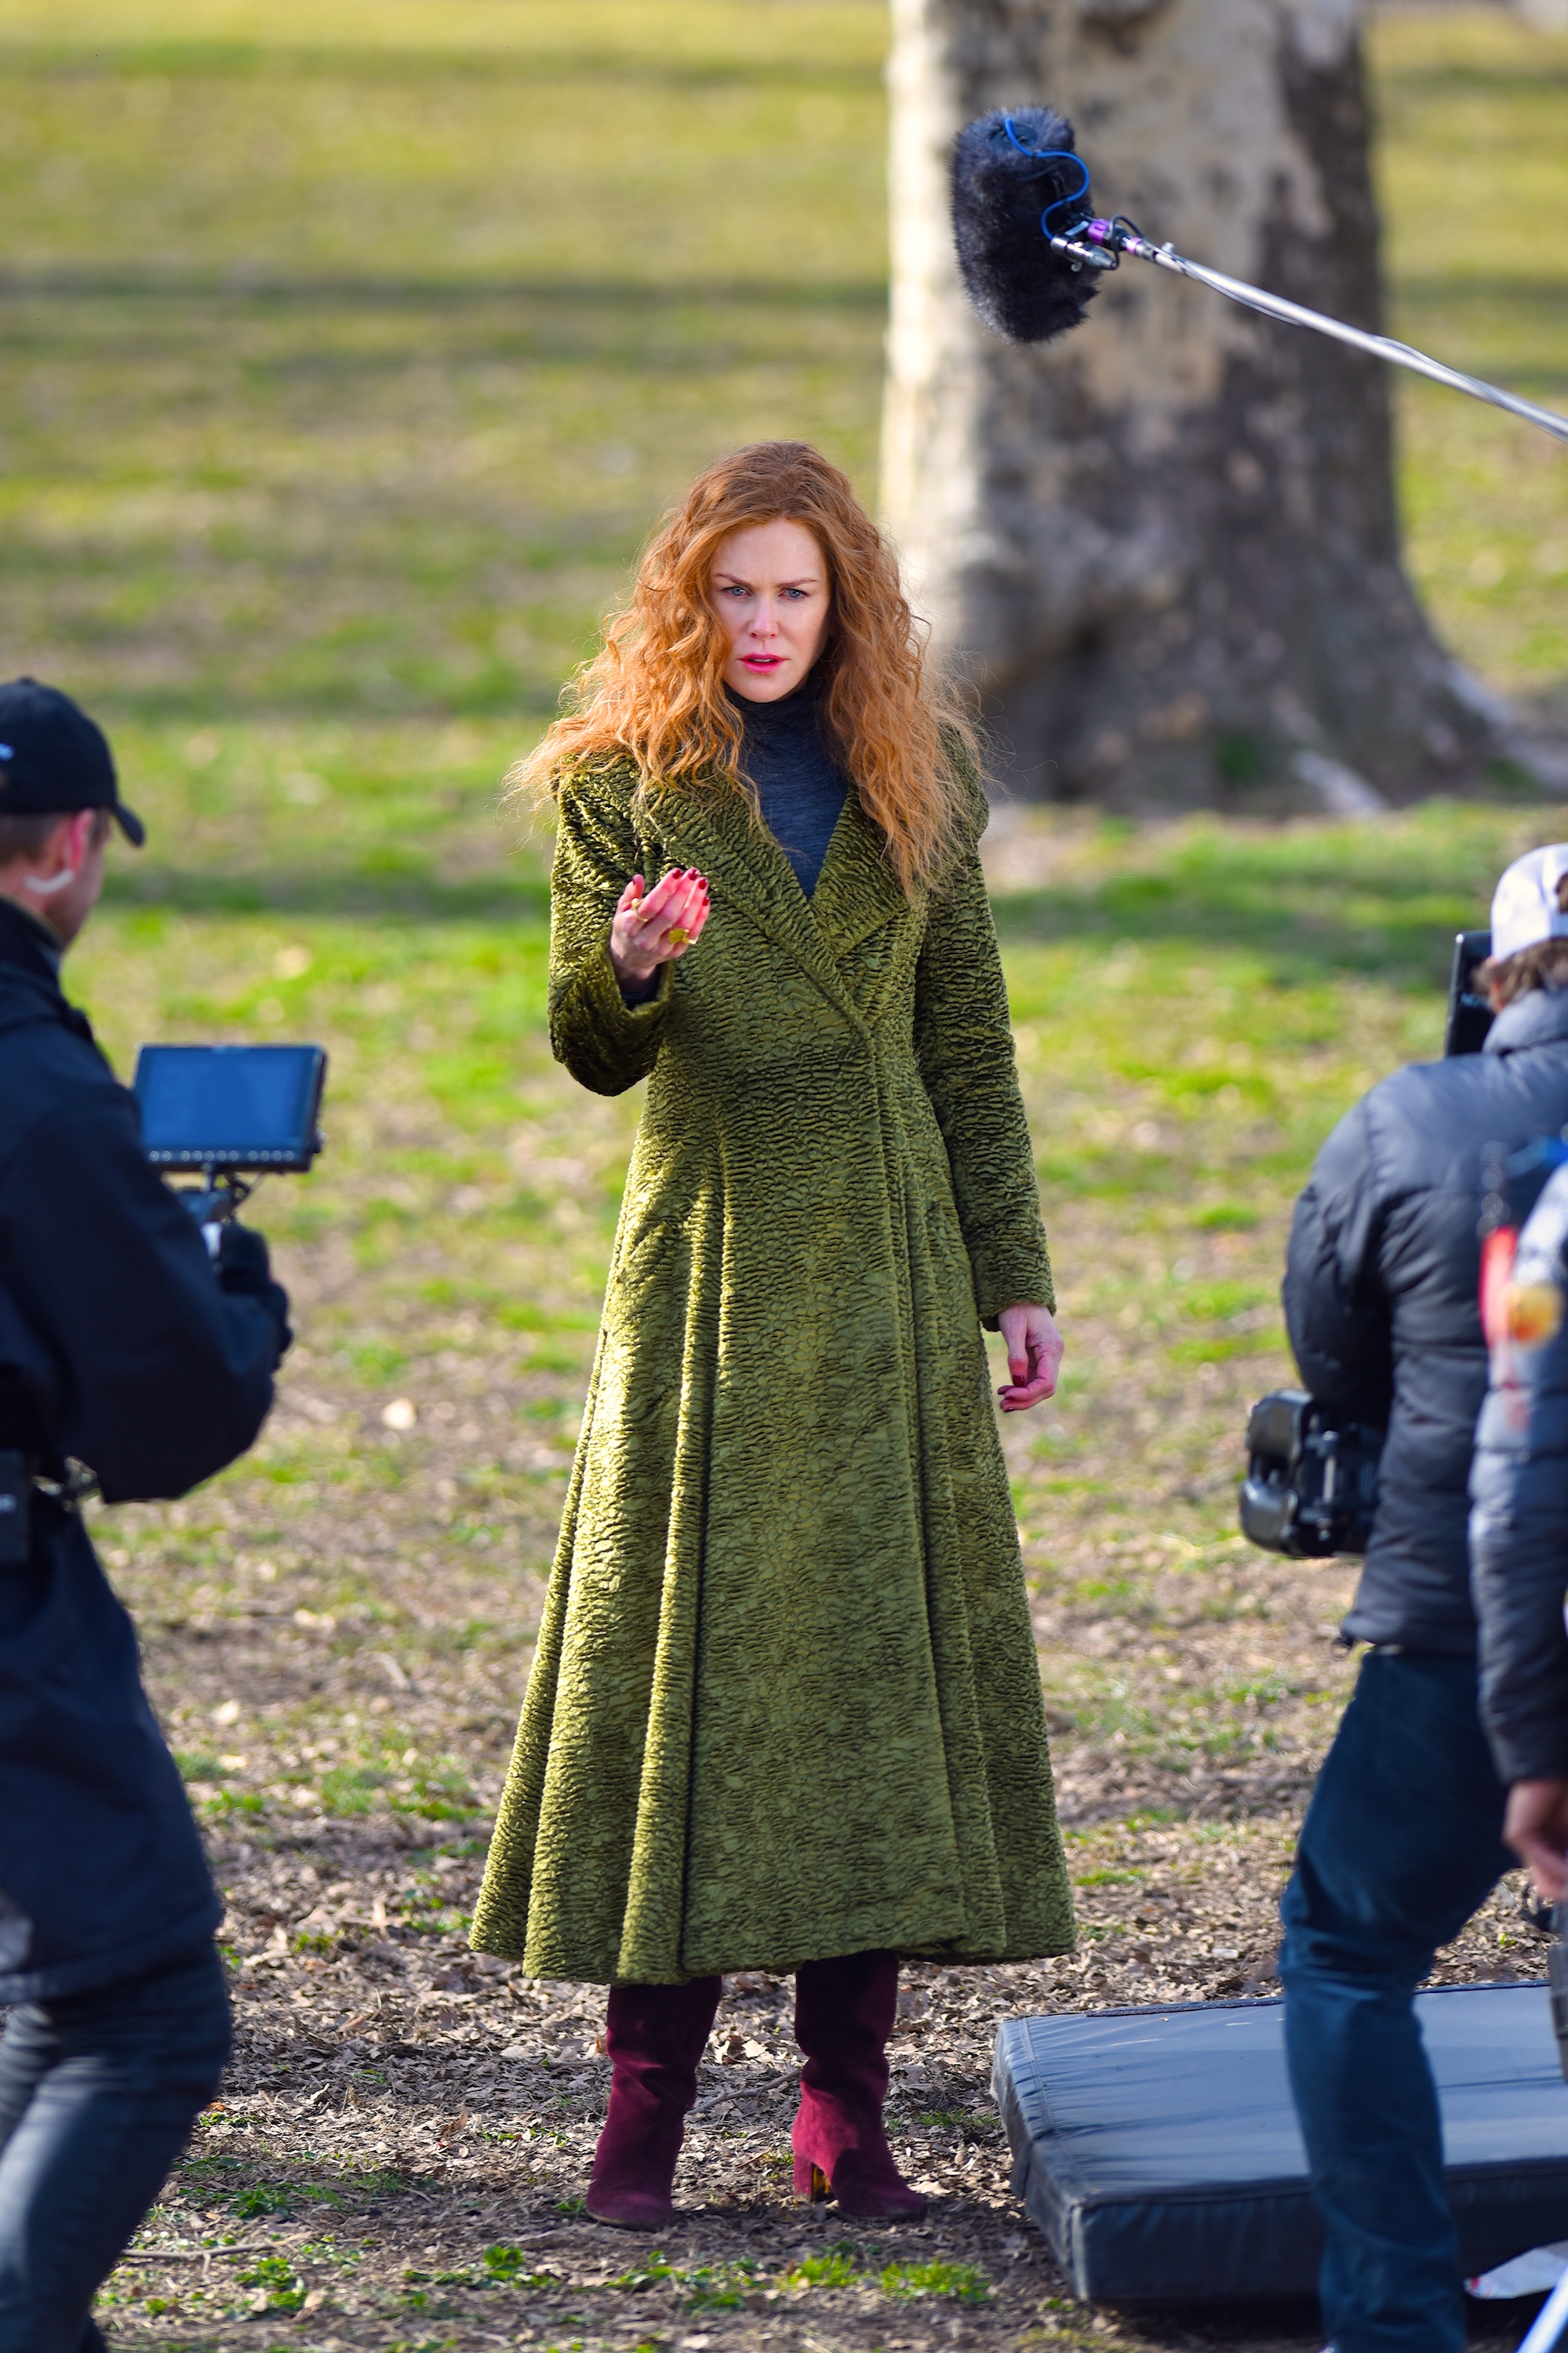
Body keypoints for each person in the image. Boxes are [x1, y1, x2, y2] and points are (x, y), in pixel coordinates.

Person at [470, 441, 1071, 2230]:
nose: (761, 623)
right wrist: (637, 967)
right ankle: (638, 2124)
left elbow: (965, 1034)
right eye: (732, 591)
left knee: (871, 1675)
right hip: (715, 1259)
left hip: (887, 1258)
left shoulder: (922, 773)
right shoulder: (617, 787)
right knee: (692, 1677)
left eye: (794, 593)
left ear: (846, 608)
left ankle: (844, 2119)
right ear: (689, 598)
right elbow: (588, 1046)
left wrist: (1009, 1271)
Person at [0, 678, 291, 2353]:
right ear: (59, 854)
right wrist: (233, 1288)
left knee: (63, 1988)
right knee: (146, 2009)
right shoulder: (35, 1089)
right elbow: (172, 1409)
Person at [1277, 841, 1568, 2353]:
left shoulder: (1409, 1118)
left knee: (1347, 1946)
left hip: (1468, 1623)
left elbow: (1333, 1355)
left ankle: (1390, 2320)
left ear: (1496, 974)